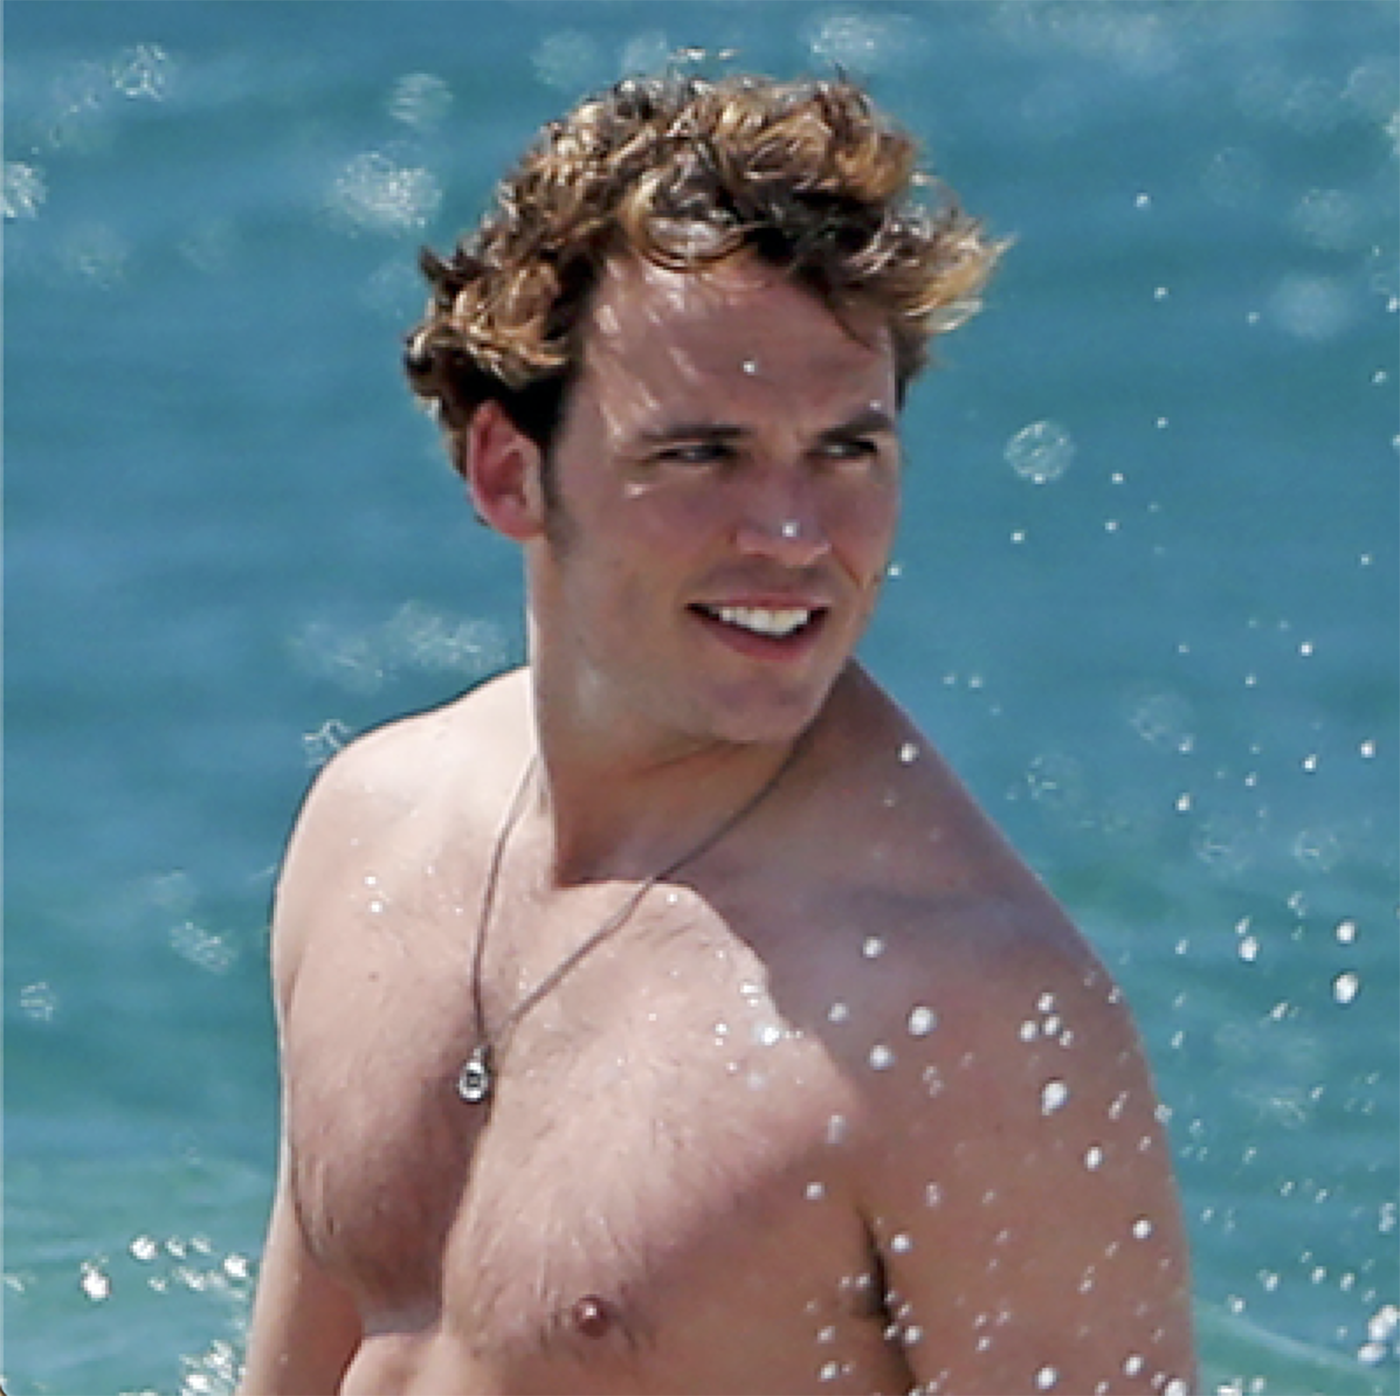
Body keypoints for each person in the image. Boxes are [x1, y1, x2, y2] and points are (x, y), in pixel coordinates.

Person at [240, 72, 1196, 1395]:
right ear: (509, 471)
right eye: (703, 454)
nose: (795, 537)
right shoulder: (370, 835)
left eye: (847, 452)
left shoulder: (967, 1011)